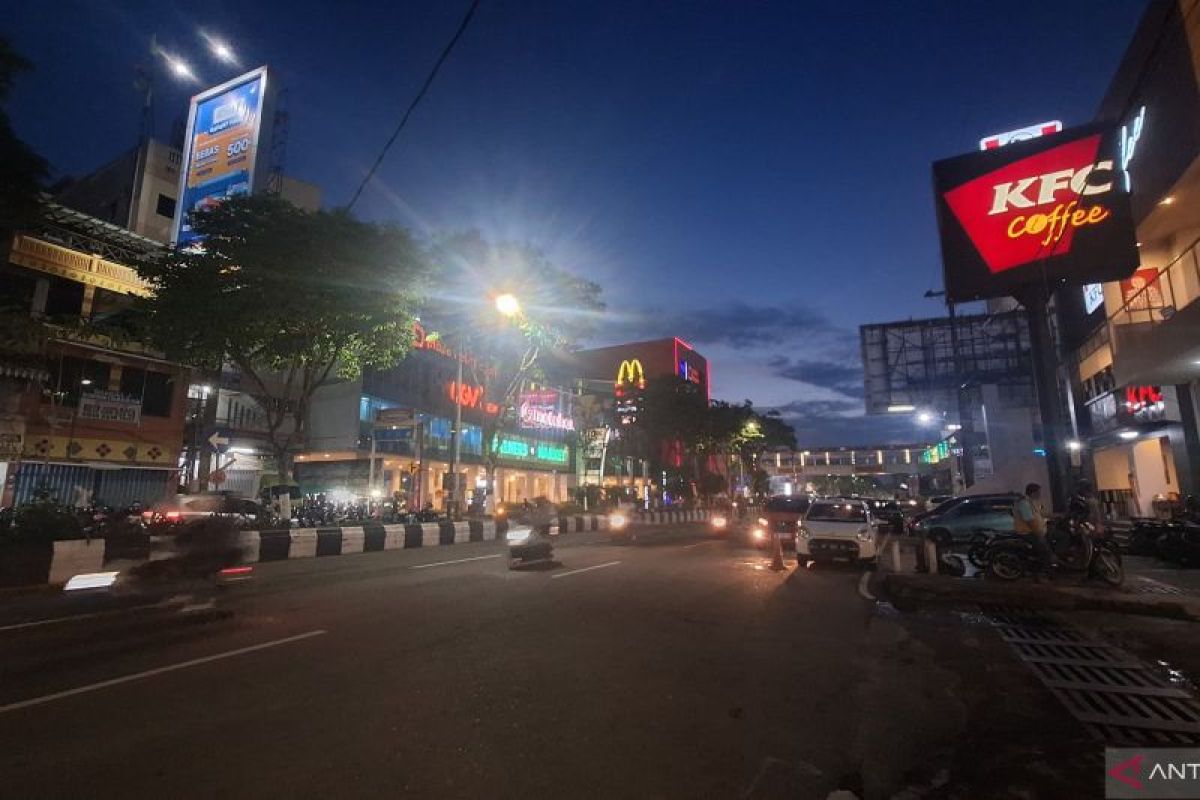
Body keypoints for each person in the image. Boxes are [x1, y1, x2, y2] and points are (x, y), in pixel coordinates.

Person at [1013, 482, 1055, 574]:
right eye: (1038, 492)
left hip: (1037, 530)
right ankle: (1041, 573)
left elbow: (1039, 514)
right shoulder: (1024, 503)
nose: (1040, 494)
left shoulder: (1031, 502)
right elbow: (1030, 521)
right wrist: (1039, 534)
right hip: (1027, 532)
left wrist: (1056, 516)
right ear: (1033, 493)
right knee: (1044, 550)